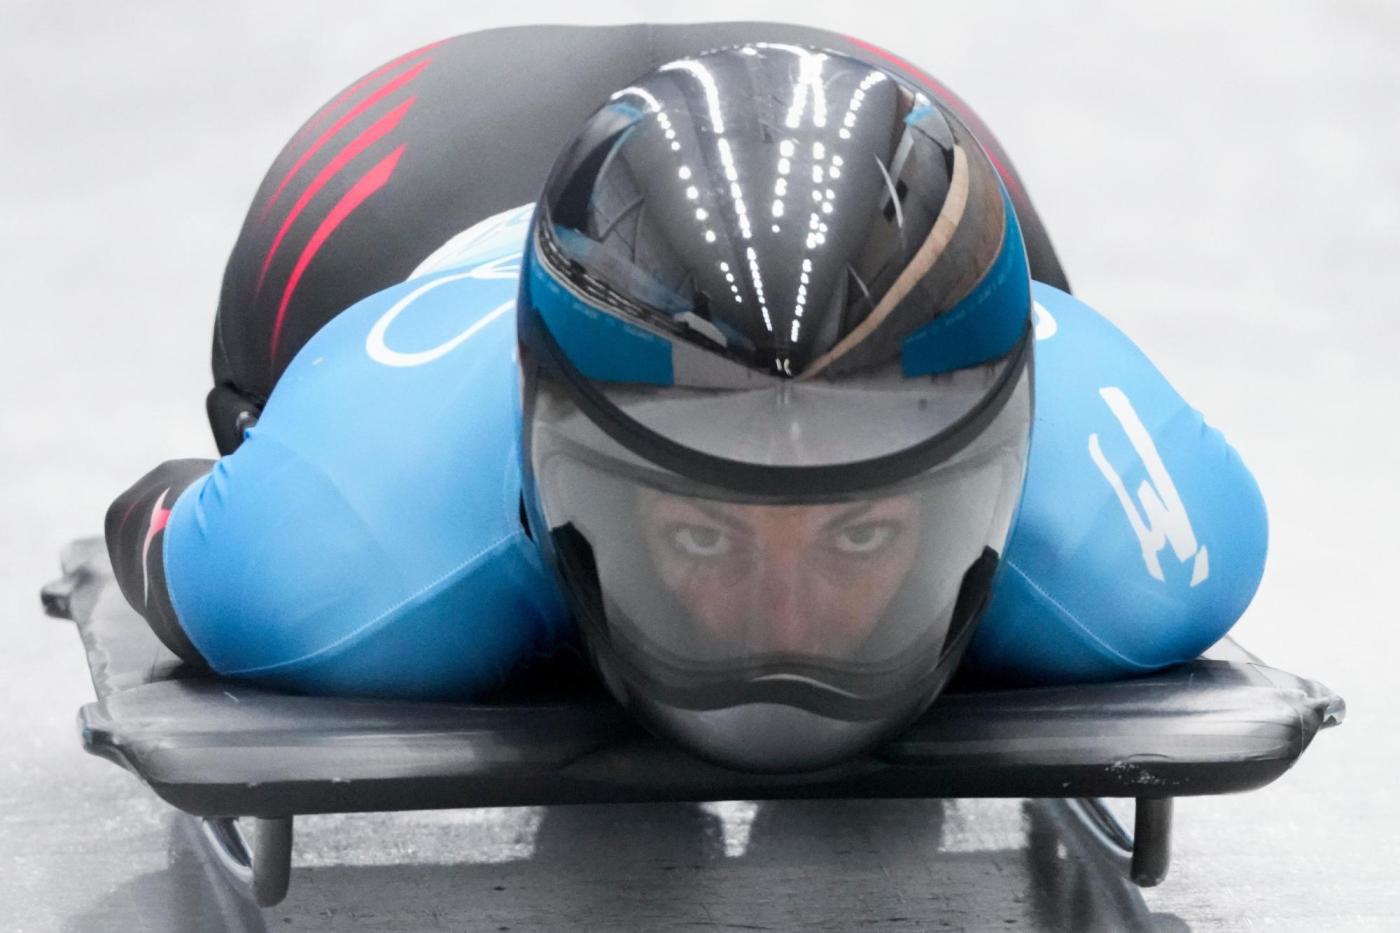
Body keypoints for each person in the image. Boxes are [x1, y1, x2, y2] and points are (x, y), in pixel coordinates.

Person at [104, 25, 1268, 773]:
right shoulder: (338, 537)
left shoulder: (1138, 544)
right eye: (705, 535)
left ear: (1001, 467)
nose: (784, 630)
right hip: (410, 170)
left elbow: (144, 514)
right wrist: (257, 477)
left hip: (847, 138)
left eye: (860, 535)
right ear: (540, 457)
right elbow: (163, 513)